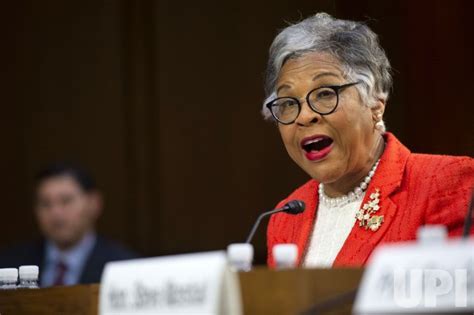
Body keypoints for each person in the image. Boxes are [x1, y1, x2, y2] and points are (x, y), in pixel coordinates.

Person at [263, 13, 474, 268]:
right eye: (288, 102)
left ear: (375, 103)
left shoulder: (445, 183)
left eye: (325, 94)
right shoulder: (285, 215)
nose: (305, 116)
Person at [0, 163, 137, 286]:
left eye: (66, 201)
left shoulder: (124, 268)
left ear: (94, 204)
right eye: (45, 204)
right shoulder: (9, 265)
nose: (56, 213)